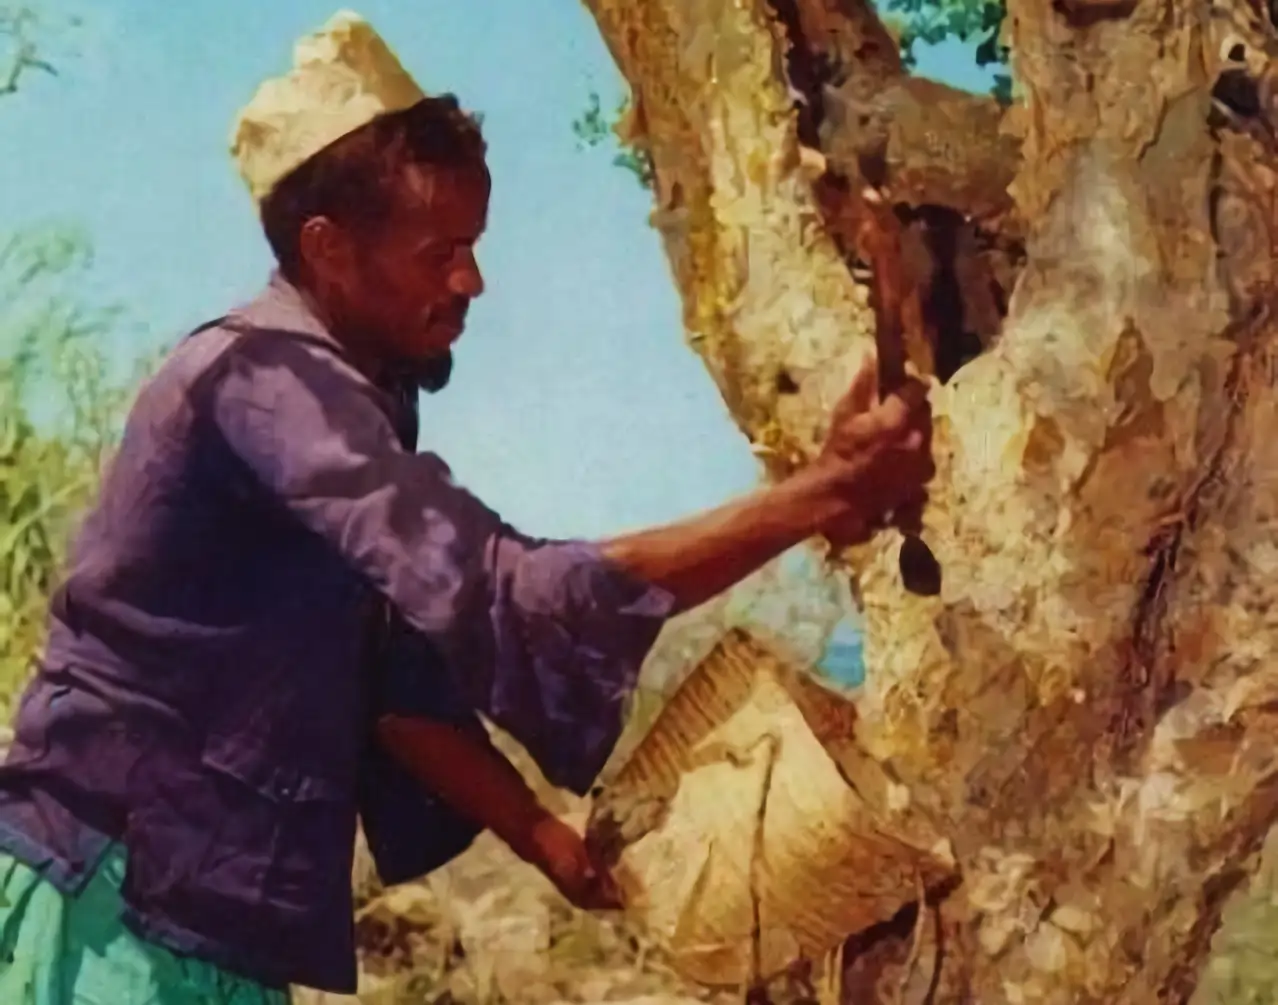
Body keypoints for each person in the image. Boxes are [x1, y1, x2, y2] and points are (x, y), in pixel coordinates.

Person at [0, 10, 934, 1005]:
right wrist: (821, 495)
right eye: (441, 249)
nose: (470, 279)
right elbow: (500, 592)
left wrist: (543, 840)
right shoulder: (264, 382)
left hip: (210, 925)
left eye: (474, 245)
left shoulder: (349, 408)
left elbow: (392, 685)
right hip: (110, 899)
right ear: (326, 250)